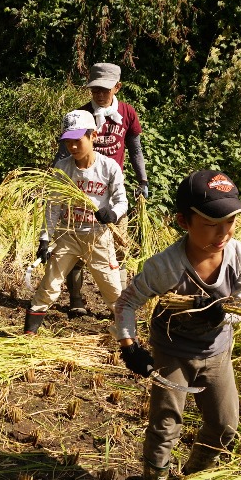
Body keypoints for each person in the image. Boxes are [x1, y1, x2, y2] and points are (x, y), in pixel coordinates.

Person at [114, 169, 241, 480]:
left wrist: (223, 312)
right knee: (165, 426)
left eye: (230, 222)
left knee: (225, 424)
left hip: (216, 353)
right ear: (184, 221)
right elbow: (126, 302)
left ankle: (195, 478)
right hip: (173, 353)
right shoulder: (166, 266)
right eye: (211, 224)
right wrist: (129, 345)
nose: (223, 233)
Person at [24, 109, 127, 335]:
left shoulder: (109, 167)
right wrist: (44, 239)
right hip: (68, 234)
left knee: (112, 290)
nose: (72, 147)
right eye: (68, 141)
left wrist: (112, 214)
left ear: (94, 136)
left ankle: (126, 336)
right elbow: (53, 207)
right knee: (49, 286)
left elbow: (122, 202)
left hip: (98, 236)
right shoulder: (62, 169)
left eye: (78, 140)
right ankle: (29, 335)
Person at [60, 62, 150, 316]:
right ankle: (76, 299)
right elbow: (65, 151)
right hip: (82, 187)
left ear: (117, 87)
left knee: (117, 247)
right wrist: (56, 177)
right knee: (75, 241)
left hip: (112, 188)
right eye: (95, 90)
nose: (99, 95)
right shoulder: (82, 114)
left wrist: (142, 181)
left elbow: (135, 149)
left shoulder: (128, 113)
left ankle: (118, 303)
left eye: (105, 90)